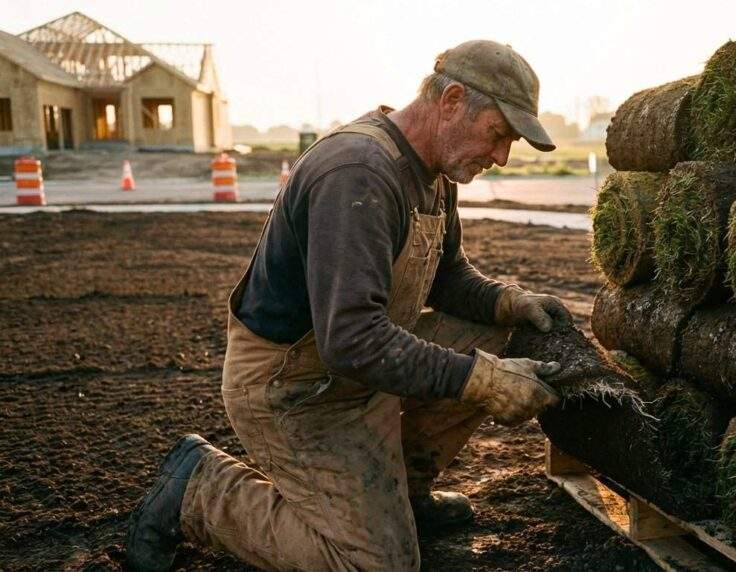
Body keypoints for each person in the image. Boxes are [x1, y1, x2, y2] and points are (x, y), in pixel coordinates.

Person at [126, 40, 569, 571]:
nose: (501, 157)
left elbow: (447, 279)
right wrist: (482, 380)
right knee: (378, 564)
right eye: (498, 134)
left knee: (498, 338)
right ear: (451, 101)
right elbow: (350, 340)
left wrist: (509, 303)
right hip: (297, 386)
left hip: (363, 368)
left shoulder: (432, 174)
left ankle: (401, 493)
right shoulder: (358, 174)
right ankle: (201, 489)